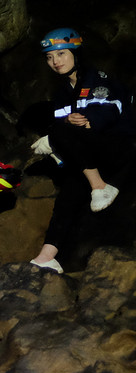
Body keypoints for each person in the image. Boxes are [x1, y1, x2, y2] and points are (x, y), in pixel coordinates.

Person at [29, 28, 133, 272]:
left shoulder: (99, 79)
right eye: (50, 57)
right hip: (90, 155)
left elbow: (110, 109)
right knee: (69, 192)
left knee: (58, 133)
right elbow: (61, 119)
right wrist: (62, 131)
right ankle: (47, 256)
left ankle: (100, 187)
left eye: (62, 54)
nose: (55, 62)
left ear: (76, 53)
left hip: (119, 148)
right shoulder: (63, 91)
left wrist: (83, 122)